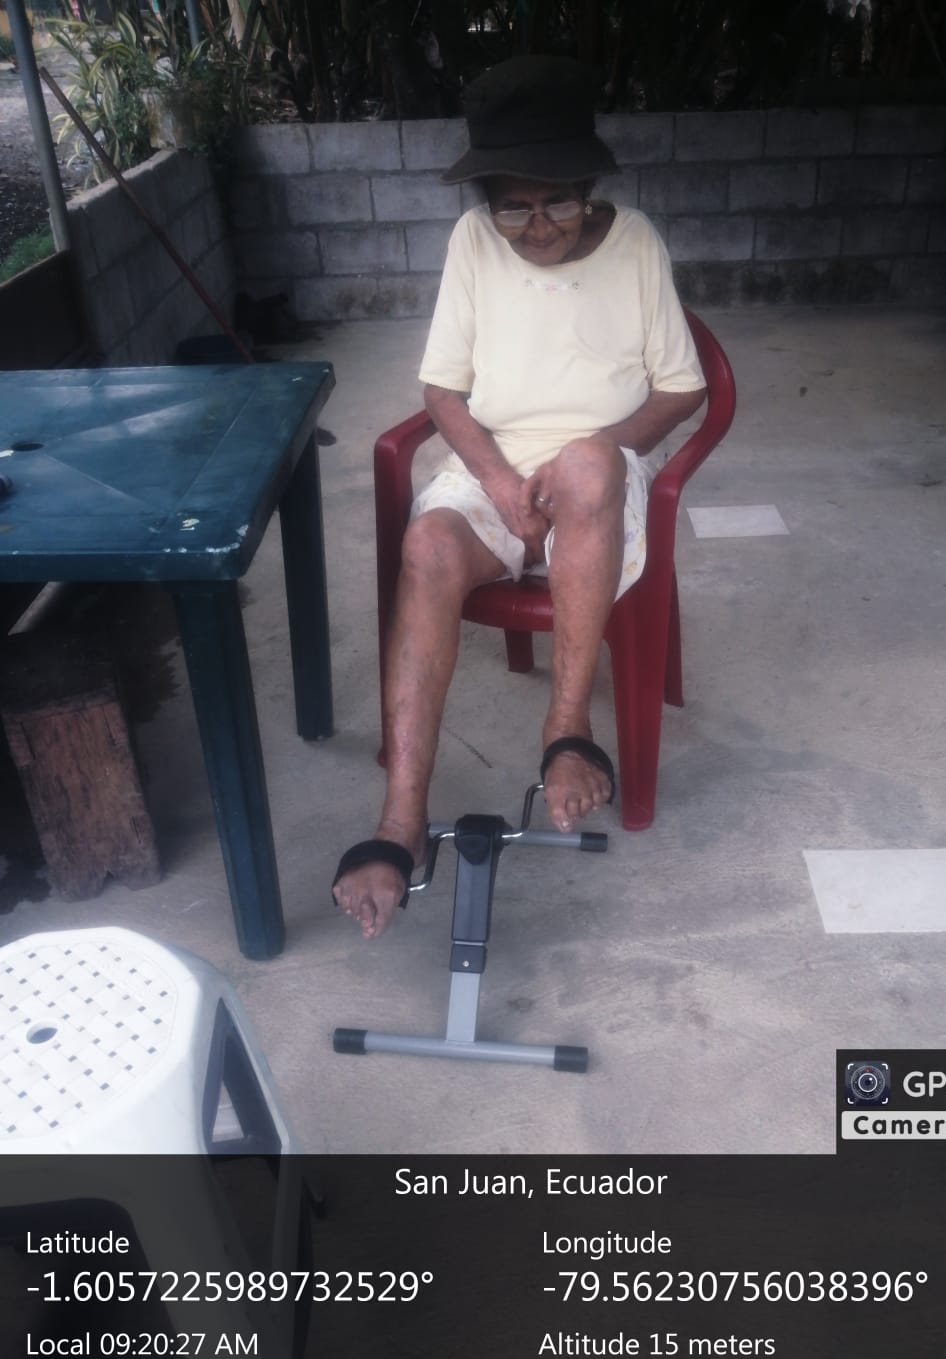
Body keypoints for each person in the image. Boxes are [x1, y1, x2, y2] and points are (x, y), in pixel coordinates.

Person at [333, 54, 707, 938]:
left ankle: (565, 732)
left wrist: (592, 453)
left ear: (588, 189)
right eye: (514, 208)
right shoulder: (473, 243)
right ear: (487, 200)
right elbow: (442, 390)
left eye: (559, 204)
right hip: (493, 468)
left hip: (603, 475)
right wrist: (500, 483)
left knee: (587, 465)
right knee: (427, 545)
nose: (538, 228)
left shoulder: (637, 243)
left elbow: (683, 388)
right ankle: (400, 821)